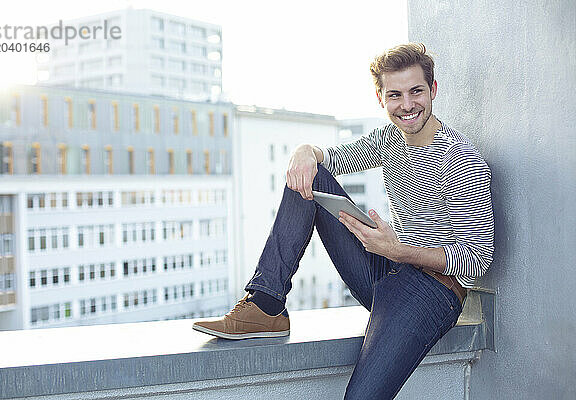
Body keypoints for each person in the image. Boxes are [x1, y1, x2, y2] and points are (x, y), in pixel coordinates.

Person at [193, 42, 494, 399]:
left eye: (416, 91)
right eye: (395, 95)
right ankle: (266, 304)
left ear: (433, 90)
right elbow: (332, 160)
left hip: (432, 292)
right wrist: (305, 151)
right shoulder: (390, 138)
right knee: (308, 175)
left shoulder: (460, 160)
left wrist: (400, 251)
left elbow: (478, 260)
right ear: (380, 98)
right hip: (387, 268)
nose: (407, 105)